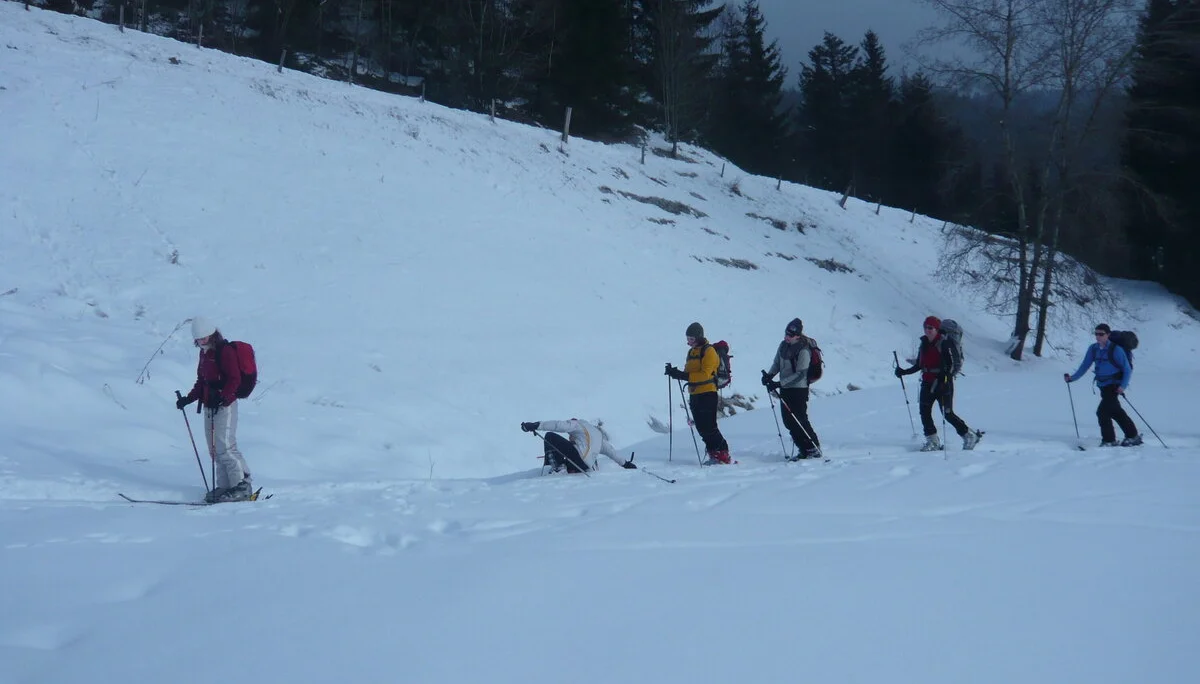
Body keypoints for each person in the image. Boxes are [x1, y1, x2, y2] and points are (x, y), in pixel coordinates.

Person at [175, 317, 253, 502]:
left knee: (226, 447)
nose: (201, 341)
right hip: (209, 405)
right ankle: (225, 487)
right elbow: (202, 381)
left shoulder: (224, 351)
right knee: (215, 449)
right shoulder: (204, 354)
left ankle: (241, 486)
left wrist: (223, 397)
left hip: (225, 406)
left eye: (204, 337)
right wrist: (188, 399)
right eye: (198, 338)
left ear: (212, 333)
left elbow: (235, 380)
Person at [895, 316, 982, 452]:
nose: (928, 330)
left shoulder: (944, 343)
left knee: (947, 413)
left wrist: (944, 378)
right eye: (926, 327)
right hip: (927, 382)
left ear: (936, 329)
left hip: (943, 384)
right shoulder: (924, 343)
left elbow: (952, 365)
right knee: (924, 412)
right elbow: (920, 364)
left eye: (931, 328)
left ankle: (968, 435)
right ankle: (932, 441)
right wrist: (904, 372)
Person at [1064, 323, 1142, 447]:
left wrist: (1123, 386)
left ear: (1108, 335)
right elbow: (1085, 366)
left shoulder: (1116, 349)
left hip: (1114, 385)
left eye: (1101, 334)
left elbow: (1127, 369)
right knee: (1116, 411)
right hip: (1102, 385)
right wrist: (1072, 378)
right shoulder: (1093, 348)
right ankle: (1133, 436)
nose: (1098, 336)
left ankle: (1109, 440)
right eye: (1096, 334)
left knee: (1102, 412)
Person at [665, 322, 731, 464]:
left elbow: (705, 374)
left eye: (691, 339)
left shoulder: (709, 351)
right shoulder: (692, 352)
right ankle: (714, 453)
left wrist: (683, 376)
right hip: (694, 393)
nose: (689, 342)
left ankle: (722, 453)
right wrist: (675, 373)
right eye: (688, 339)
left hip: (708, 393)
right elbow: (690, 372)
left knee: (709, 426)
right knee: (701, 427)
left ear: (699, 337)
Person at [762, 318, 822, 459]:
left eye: (790, 335)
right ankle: (803, 449)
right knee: (788, 421)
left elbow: (801, 374)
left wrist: (780, 383)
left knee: (799, 419)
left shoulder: (803, 350)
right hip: (786, 389)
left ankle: (813, 448)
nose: (786, 337)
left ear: (797, 335)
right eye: (786, 334)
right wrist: (769, 376)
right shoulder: (783, 346)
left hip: (798, 390)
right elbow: (777, 362)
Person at [519, 419, 636, 473]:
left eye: (570, 435)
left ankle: (557, 468)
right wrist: (625, 464)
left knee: (550, 436)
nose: (569, 436)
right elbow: (611, 452)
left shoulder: (576, 424)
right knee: (573, 449)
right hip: (585, 466)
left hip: (578, 457)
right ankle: (568, 468)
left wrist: (536, 425)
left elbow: (558, 425)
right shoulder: (598, 436)